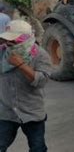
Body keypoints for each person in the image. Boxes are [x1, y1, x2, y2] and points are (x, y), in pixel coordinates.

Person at [0, 20, 52, 151]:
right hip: (6, 111)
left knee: (38, 148)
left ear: (25, 39)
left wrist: (21, 65)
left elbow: (41, 81)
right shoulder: (3, 52)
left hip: (31, 112)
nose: (9, 44)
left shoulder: (40, 55)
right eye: (7, 40)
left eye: (13, 41)